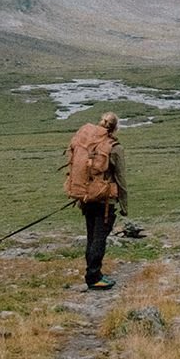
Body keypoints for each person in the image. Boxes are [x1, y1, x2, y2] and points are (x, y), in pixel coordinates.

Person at [63, 111, 125, 290]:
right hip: (104, 201)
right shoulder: (114, 147)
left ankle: (92, 272)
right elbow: (122, 180)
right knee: (99, 238)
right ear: (115, 128)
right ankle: (94, 276)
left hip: (86, 197)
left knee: (92, 235)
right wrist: (124, 206)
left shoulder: (86, 143)